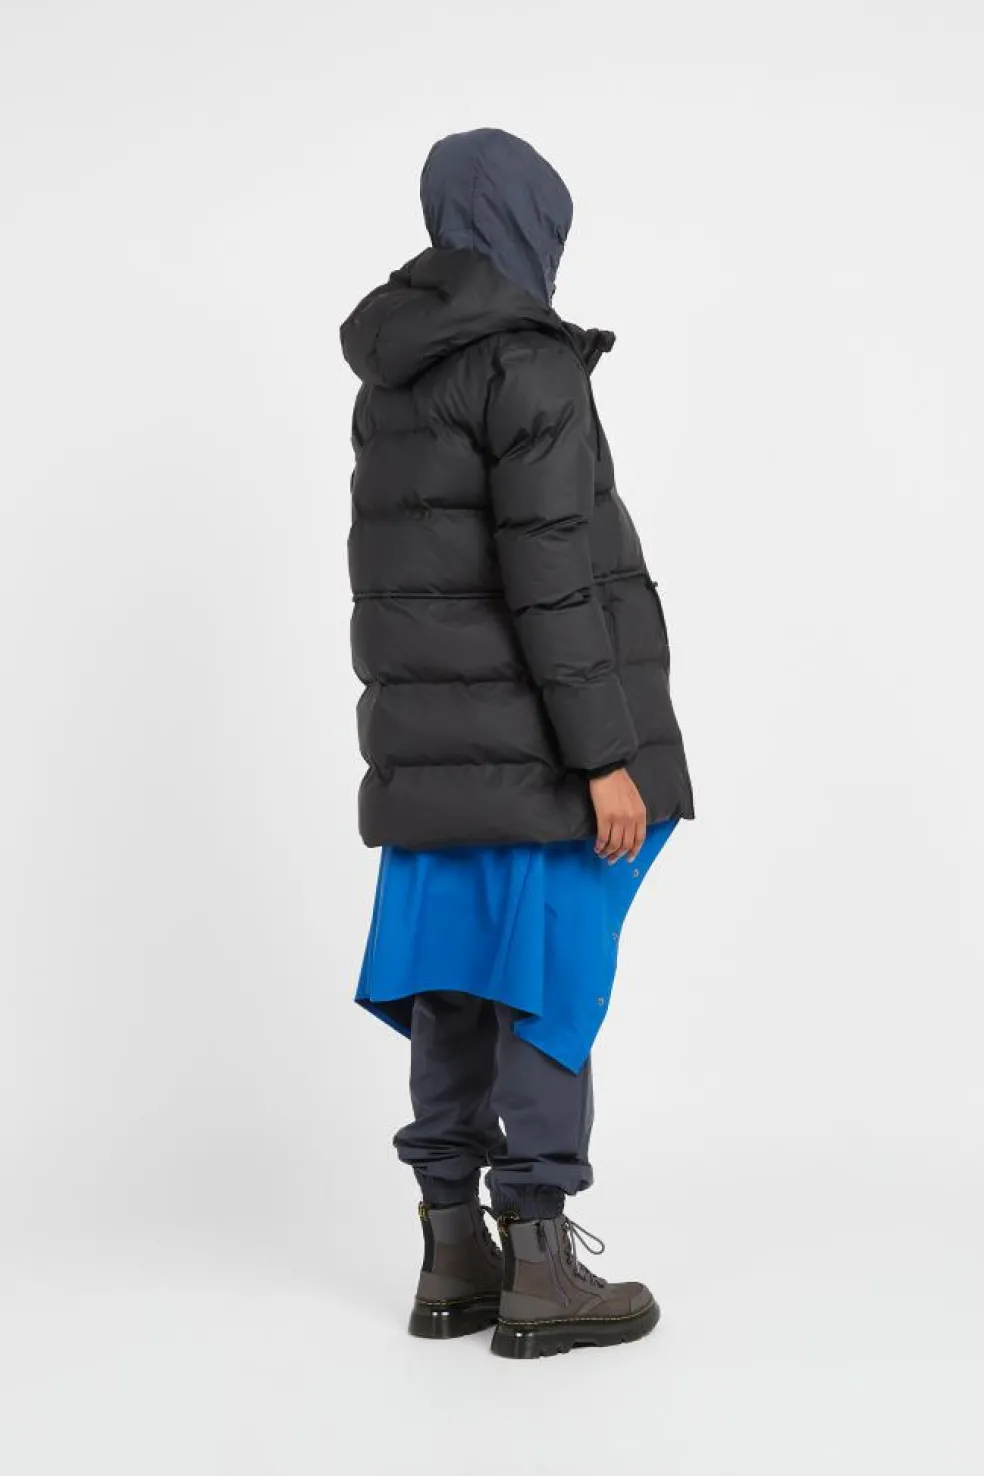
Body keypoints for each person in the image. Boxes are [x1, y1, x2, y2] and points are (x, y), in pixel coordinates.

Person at [340, 128, 693, 1359]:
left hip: (429, 762)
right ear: (532, 225)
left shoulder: (394, 372)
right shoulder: (528, 364)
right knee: (542, 988)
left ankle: (454, 1258)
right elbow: (551, 577)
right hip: (536, 758)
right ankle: (541, 1271)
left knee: (452, 986)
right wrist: (606, 757)